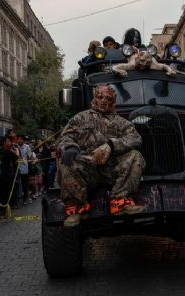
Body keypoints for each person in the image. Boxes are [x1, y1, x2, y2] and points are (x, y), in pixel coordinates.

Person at [57, 84, 146, 227]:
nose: (104, 100)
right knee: (67, 160)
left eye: (108, 98)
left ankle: (119, 201)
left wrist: (112, 145)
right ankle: (77, 208)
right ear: (94, 98)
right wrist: (69, 147)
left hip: (112, 170)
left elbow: (136, 139)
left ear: (114, 101)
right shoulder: (79, 118)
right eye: (100, 97)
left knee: (135, 156)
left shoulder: (122, 122)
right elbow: (65, 137)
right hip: (87, 169)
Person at [0, 136, 19, 219]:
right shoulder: (6, 151)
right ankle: (2, 213)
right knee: (4, 194)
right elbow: (16, 158)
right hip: (3, 177)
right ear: (4, 143)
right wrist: (15, 151)